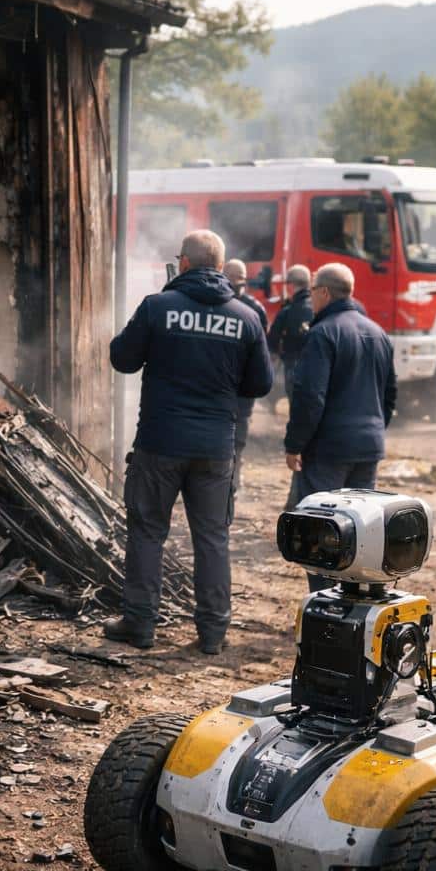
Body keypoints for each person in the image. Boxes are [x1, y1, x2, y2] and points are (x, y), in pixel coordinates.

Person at [106, 231, 273, 654]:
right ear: (221, 268)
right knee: (212, 538)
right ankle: (213, 634)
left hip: (160, 443)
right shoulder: (246, 317)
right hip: (216, 448)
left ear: (183, 264)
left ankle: (140, 625)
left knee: (147, 533)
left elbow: (122, 359)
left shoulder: (158, 307)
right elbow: (260, 384)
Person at [284, 263, 398, 587]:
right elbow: (390, 394)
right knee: (360, 529)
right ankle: (353, 601)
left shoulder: (323, 333)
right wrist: (374, 431)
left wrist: (295, 445)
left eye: (311, 293)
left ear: (323, 293)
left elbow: (309, 397)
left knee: (320, 532)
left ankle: (325, 608)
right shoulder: (377, 332)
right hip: (368, 447)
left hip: (328, 450)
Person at [224, 258, 268, 490]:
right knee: (232, 443)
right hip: (235, 394)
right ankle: (230, 484)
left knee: (235, 443)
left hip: (235, 395)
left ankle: (232, 483)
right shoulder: (254, 310)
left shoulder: (254, 310)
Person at [266, 264, 314, 415]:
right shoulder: (320, 306)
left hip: (293, 365)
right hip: (318, 365)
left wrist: (275, 353)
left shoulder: (288, 310)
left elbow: (272, 339)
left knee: (296, 408)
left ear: (291, 285)